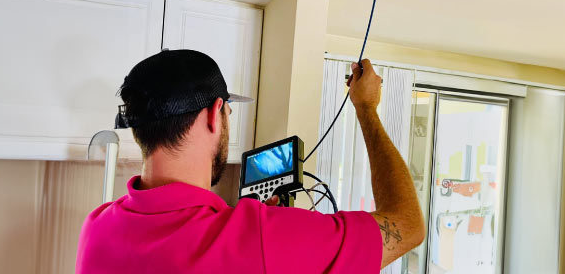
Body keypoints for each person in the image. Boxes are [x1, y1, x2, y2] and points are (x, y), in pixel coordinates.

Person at [76, 49, 425, 273]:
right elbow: (407, 226)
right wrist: (365, 109)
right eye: (227, 110)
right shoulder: (261, 238)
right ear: (215, 114)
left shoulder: (97, 228)